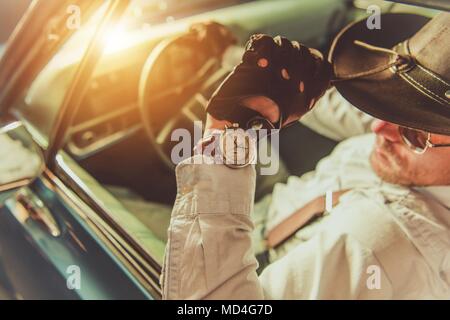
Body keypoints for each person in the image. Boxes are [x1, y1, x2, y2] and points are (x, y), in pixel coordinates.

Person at [160, 12, 450, 299]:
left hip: (233, 263)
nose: (377, 128)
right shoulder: (405, 144)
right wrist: (233, 59)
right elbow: (334, 109)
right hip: (267, 204)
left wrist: (223, 141)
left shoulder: (378, 246)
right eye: (389, 109)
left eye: (416, 135)